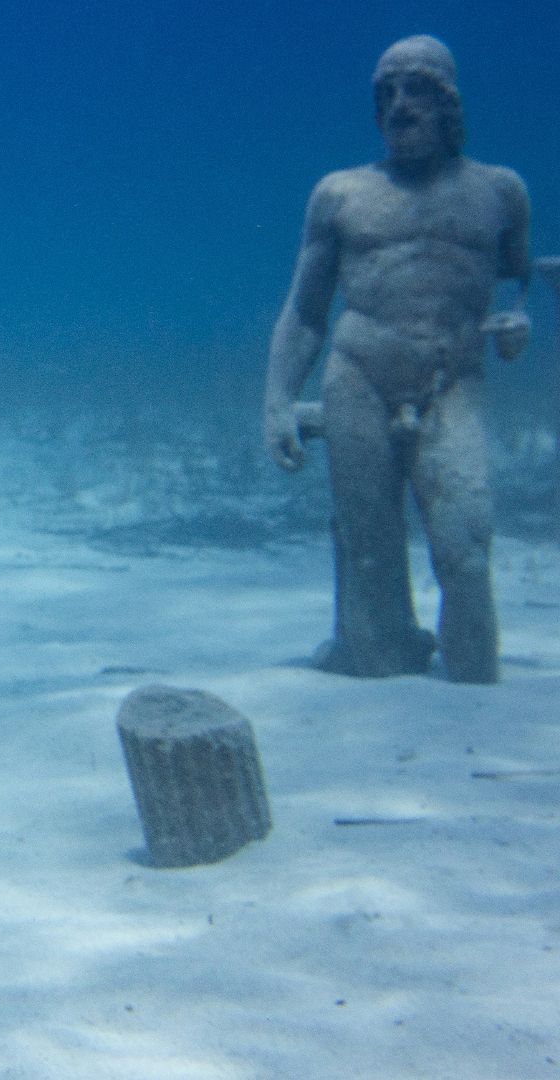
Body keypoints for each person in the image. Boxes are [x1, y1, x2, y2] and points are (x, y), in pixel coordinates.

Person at [264, 34, 531, 684]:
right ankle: (378, 649)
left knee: (466, 549)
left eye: (415, 89)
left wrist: (521, 319)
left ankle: (463, 666)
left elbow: (520, 278)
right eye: (386, 93)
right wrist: (277, 400)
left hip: (451, 385)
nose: (399, 105)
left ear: (448, 104)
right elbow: (305, 311)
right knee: (370, 553)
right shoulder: (341, 195)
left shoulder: (499, 193)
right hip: (358, 380)